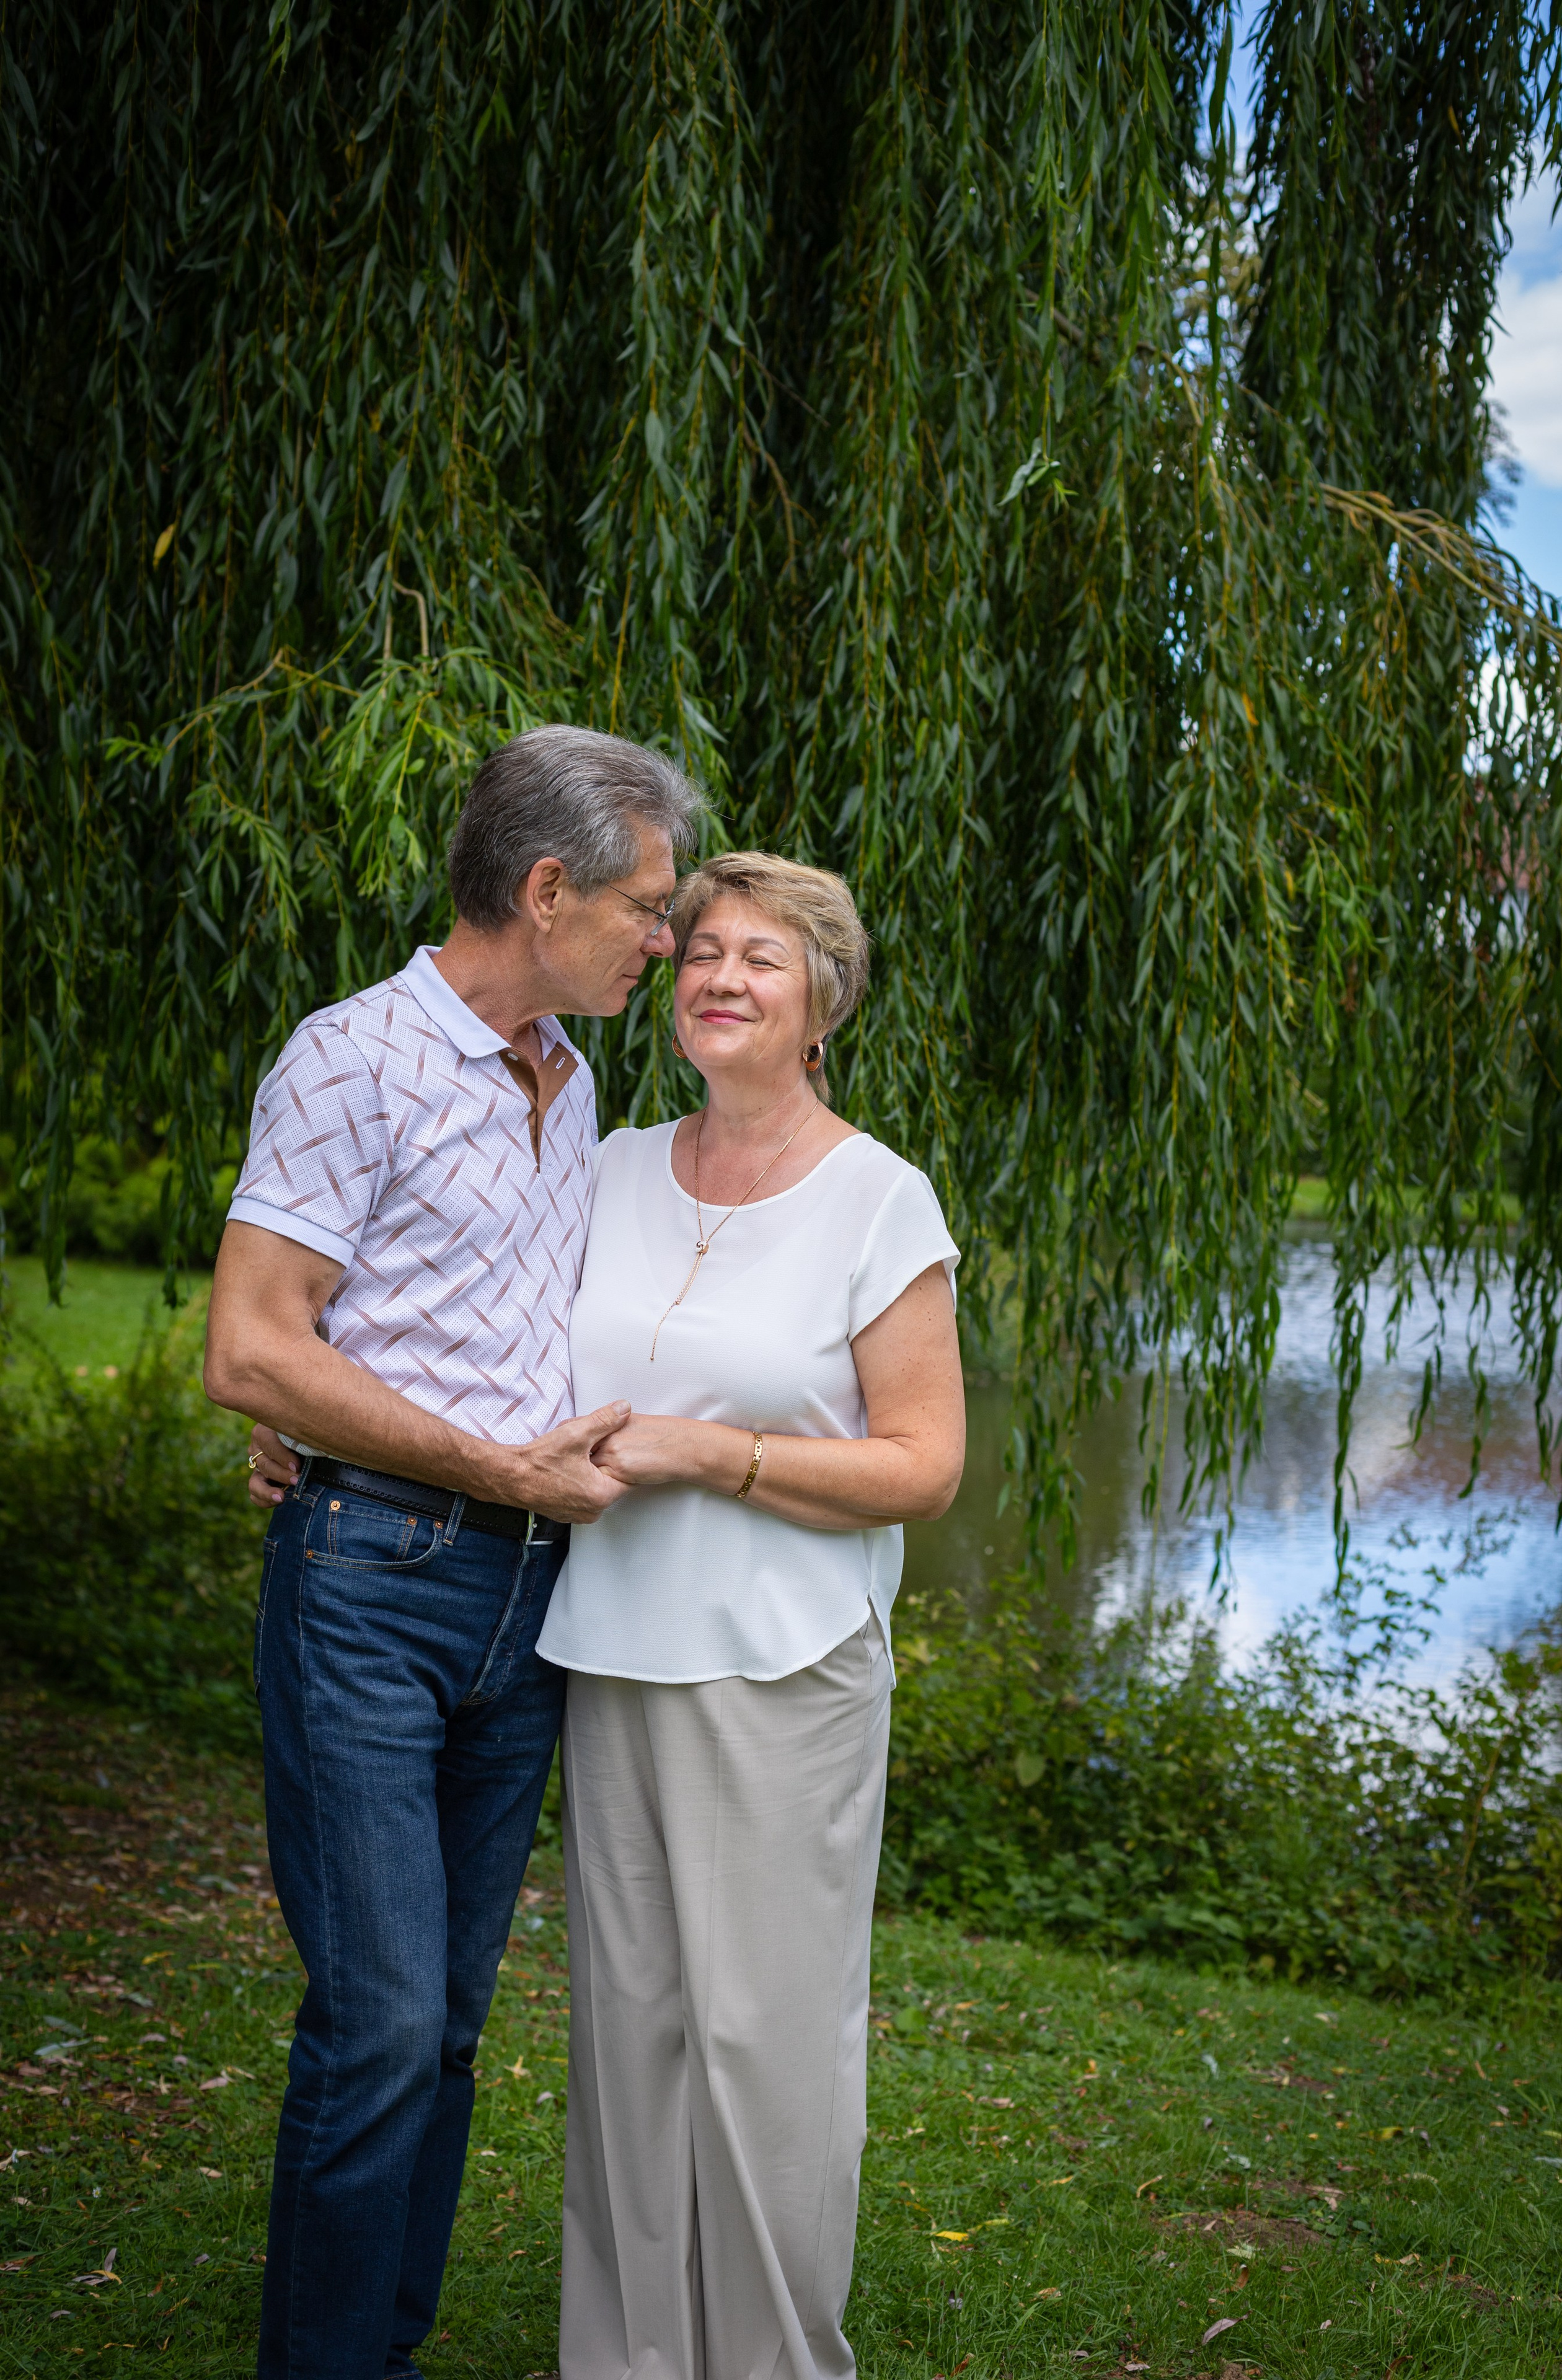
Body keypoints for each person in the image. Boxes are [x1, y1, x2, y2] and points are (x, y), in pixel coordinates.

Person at [206, 724, 702, 2380]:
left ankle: (381, 2353)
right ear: (548, 889)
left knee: (456, 2028)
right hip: (372, 1586)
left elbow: (458, 1333)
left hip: (529, 1604)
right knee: (383, 2022)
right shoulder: (353, 1059)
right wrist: (445, 1453)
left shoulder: (578, 1085)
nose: (668, 941)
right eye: (649, 908)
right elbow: (252, 1349)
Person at [542, 850, 966, 2380]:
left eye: (761, 960)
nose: (718, 975)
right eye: (699, 949)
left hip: (784, 1670)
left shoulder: (876, 1197)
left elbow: (922, 1466)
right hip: (608, 1652)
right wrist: (313, 1429)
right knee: (631, 2039)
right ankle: (630, 2358)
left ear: (820, 1005)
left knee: (761, 2051)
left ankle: (779, 2360)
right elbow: (485, 1355)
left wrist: (708, 1453)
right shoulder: (600, 1167)